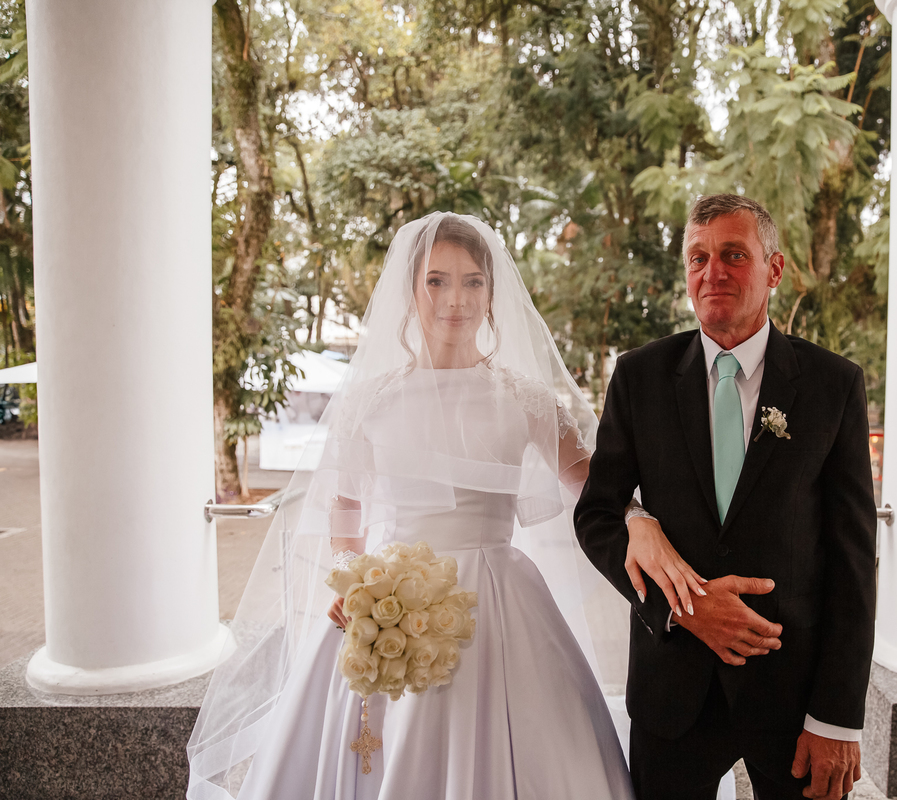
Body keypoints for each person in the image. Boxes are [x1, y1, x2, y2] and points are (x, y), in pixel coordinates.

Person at [188, 212, 667, 799]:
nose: (455, 299)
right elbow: (346, 506)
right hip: (388, 600)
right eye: (437, 280)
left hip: (499, 600)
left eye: (472, 282)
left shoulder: (526, 399)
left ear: (491, 295)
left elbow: (594, 489)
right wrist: (350, 576)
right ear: (412, 291)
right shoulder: (370, 401)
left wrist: (639, 519)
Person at [575, 194, 877, 800]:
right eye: (698, 258)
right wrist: (681, 606)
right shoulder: (640, 376)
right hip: (671, 691)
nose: (712, 272)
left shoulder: (833, 384)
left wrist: (837, 719)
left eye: (734, 255)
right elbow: (598, 513)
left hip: (793, 698)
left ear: (774, 268)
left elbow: (852, 561)